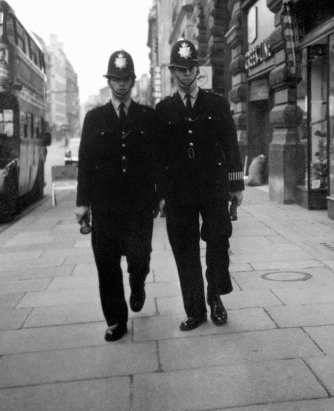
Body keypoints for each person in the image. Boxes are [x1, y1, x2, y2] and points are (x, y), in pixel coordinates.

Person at [156, 38, 244, 331]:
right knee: (185, 250)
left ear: (197, 69)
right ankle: (194, 310)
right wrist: (160, 195)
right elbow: (158, 157)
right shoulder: (163, 110)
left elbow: (231, 148)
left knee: (218, 242)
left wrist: (236, 187)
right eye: (180, 69)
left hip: (213, 187)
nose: (186, 74)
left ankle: (215, 298)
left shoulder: (217, 104)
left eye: (191, 67)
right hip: (179, 192)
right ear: (172, 71)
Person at [76, 50, 160, 342]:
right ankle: (116, 320)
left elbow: (157, 161)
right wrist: (81, 202)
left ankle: (137, 284)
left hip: (139, 207)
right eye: (116, 79)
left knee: (139, 258)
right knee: (107, 266)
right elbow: (85, 162)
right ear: (109, 81)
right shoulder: (94, 118)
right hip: (105, 207)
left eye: (126, 79)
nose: (121, 85)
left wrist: (159, 195)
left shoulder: (147, 117)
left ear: (133, 81)